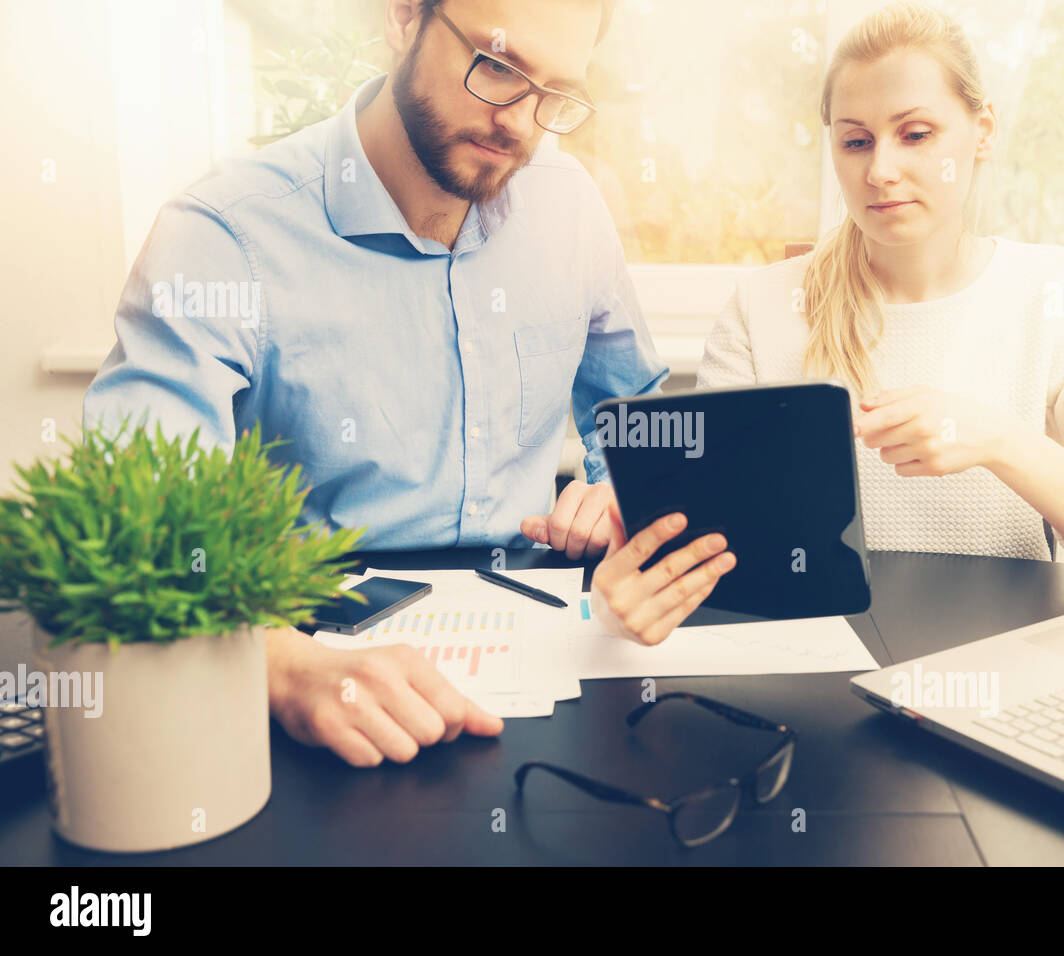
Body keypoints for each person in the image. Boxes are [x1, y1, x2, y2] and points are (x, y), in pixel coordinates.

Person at [82, 0, 708, 766]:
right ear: (404, 18)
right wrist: (273, 665)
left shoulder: (569, 203)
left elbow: (635, 412)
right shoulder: (223, 234)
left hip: (543, 641)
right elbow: (138, 512)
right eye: (499, 67)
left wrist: (621, 490)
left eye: (554, 95)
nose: (519, 121)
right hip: (306, 660)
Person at [590, 0, 1064, 644]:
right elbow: (699, 544)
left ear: (983, 130)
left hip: (998, 659)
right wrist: (619, 603)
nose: (879, 171)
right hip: (810, 663)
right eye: (856, 141)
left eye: (915, 134)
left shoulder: (1056, 288)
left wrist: (996, 439)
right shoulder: (763, 306)